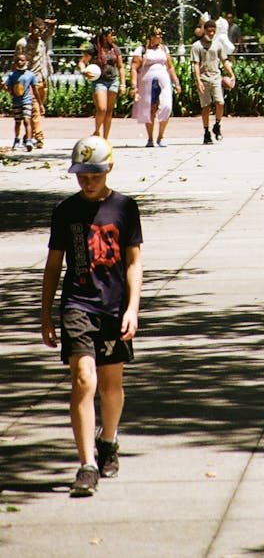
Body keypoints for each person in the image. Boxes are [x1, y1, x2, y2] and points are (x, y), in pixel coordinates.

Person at [40, 135, 143, 497]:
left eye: (95, 174)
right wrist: (46, 314)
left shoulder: (125, 208)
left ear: (109, 169)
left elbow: (133, 262)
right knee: (84, 379)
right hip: (77, 305)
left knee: (111, 384)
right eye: (82, 174)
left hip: (114, 306)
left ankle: (109, 440)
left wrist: (133, 308)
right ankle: (86, 465)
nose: (87, 180)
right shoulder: (65, 211)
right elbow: (54, 265)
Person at [130, 25, 182, 148]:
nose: (159, 37)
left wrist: (176, 82)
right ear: (151, 36)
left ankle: (161, 136)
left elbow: (170, 66)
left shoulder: (164, 49)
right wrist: (133, 85)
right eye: (157, 34)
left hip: (163, 81)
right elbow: (134, 68)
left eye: (160, 34)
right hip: (148, 82)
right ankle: (150, 138)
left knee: (166, 106)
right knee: (150, 109)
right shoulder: (142, 50)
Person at [191, 18, 234, 144]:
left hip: (216, 77)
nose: (211, 33)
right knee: (206, 106)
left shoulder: (217, 45)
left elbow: (224, 60)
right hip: (204, 78)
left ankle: (217, 125)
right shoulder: (196, 46)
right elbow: (195, 65)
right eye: (209, 31)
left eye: (213, 31)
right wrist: (198, 80)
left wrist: (231, 74)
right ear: (204, 30)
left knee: (220, 102)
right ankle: (206, 131)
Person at [78, 29, 126, 140]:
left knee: (109, 111)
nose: (114, 37)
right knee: (102, 108)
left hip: (113, 81)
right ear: (105, 36)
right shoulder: (94, 48)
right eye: (112, 34)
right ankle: (97, 131)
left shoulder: (115, 49)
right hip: (99, 81)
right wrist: (84, 71)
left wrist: (123, 84)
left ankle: (106, 139)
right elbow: (82, 62)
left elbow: (120, 66)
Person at [16, 17, 52, 148]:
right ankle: (39, 137)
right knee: (35, 110)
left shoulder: (42, 41)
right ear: (30, 28)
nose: (39, 33)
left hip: (42, 79)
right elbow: (16, 62)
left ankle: (28, 136)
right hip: (29, 81)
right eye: (36, 30)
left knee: (37, 110)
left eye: (41, 31)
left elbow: (50, 31)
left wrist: (51, 23)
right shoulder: (22, 43)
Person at [4, 49, 37, 150]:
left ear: (26, 61)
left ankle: (28, 140)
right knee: (18, 121)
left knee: (27, 120)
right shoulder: (12, 75)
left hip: (27, 101)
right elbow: (8, 89)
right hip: (16, 101)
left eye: (22, 60)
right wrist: (4, 87)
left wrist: (40, 104)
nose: (20, 62)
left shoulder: (30, 75)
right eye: (18, 60)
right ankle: (17, 139)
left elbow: (35, 89)